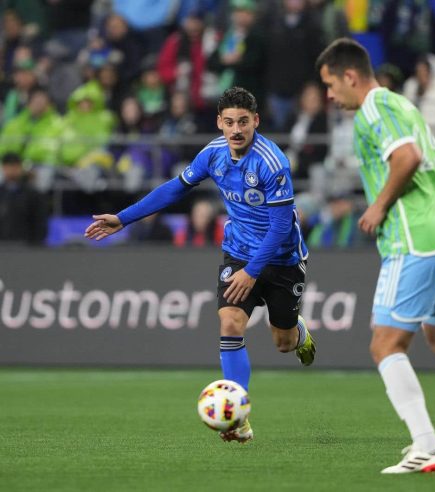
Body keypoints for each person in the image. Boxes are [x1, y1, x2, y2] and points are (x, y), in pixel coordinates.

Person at [316, 38, 435, 473]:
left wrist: (379, 204)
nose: (329, 96)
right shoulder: (403, 105)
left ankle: (426, 445)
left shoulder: (374, 108)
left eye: (330, 85)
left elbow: (407, 157)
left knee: (385, 344)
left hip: (415, 238)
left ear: (350, 76)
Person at [84, 87, 315, 443]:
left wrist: (253, 271)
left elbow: (282, 226)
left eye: (243, 122)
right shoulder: (213, 154)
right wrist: (124, 218)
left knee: (282, 342)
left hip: (281, 257)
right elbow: (175, 188)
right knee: (230, 321)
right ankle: (238, 418)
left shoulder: (272, 162)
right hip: (238, 251)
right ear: (219, 123)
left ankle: (297, 331)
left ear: (256, 121)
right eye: (229, 122)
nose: (236, 129)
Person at [0, 152, 48, 244]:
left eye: (15, 166)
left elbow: (40, 222)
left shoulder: (33, 194)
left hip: (26, 246)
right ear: (3, 168)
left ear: (20, 168)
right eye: (9, 166)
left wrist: (36, 245)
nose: (12, 170)